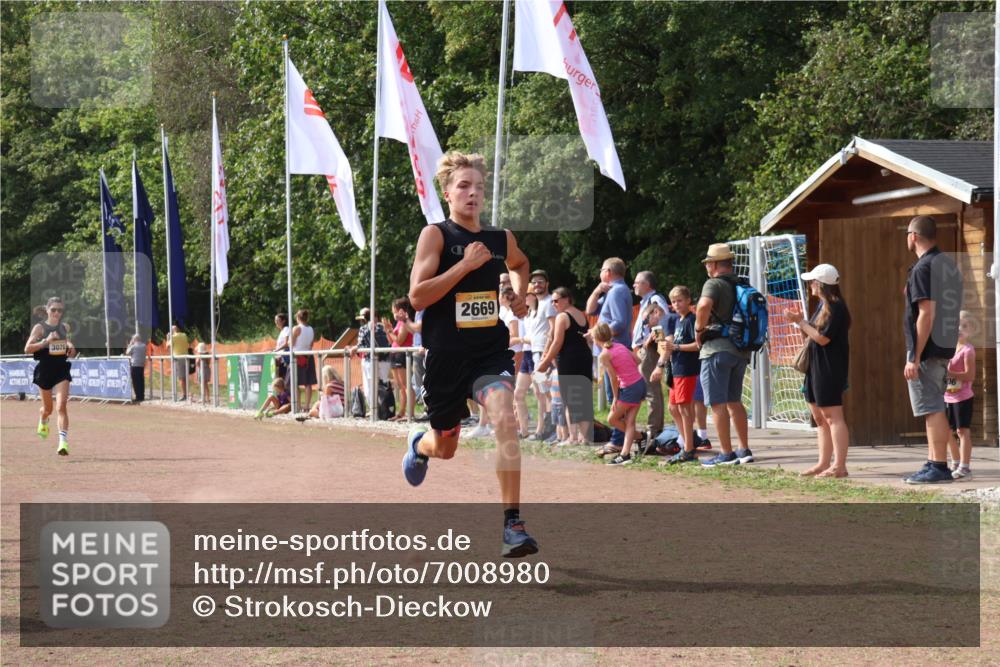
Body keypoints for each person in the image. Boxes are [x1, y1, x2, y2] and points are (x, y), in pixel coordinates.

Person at [403, 150, 538, 558]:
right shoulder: (436, 236)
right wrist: (463, 266)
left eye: (478, 186)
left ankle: (513, 524)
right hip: (446, 358)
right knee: (445, 448)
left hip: (488, 354)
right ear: (447, 193)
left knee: (505, 417)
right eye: (463, 186)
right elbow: (417, 297)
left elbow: (520, 263)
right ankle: (419, 446)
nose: (472, 193)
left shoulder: (500, 239)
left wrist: (519, 295)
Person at [900, 216, 963, 484]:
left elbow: (926, 313)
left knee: (932, 407)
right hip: (943, 345)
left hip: (927, 349)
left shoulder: (923, 267)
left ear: (913, 236)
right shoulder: (946, 264)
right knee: (932, 405)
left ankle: (938, 466)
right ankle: (932, 461)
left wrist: (914, 356)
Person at [784, 264, 852, 478]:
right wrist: (802, 324)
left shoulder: (836, 307)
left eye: (813, 281)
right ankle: (823, 463)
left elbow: (823, 339)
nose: (810, 285)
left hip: (829, 368)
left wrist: (800, 322)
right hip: (815, 366)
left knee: (833, 416)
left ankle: (839, 466)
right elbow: (814, 335)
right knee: (820, 418)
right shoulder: (823, 305)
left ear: (821, 284)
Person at [695, 243, 753, 467]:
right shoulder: (741, 283)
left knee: (717, 404)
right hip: (740, 350)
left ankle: (726, 453)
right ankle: (744, 449)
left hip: (716, 350)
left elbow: (703, 306)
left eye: (708, 263)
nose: (706, 267)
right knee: (734, 401)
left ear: (715, 264)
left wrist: (699, 330)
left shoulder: (714, 283)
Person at [537, 287, 593, 445]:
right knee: (584, 397)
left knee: (570, 399)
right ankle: (584, 437)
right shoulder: (581, 314)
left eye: (556, 300)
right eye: (552, 301)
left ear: (567, 299)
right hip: (584, 358)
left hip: (569, 360)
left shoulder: (562, 316)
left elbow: (557, 343)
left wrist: (544, 363)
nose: (553, 304)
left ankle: (574, 437)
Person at [586, 257, 633, 450]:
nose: (599, 273)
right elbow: (590, 310)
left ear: (608, 272)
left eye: (601, 270)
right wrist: (597, 290)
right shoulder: (611, 291)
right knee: (614, 395)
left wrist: (596, 333)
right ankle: (619, 439)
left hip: (615, 351)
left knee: (616, 397)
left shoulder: (617, 292)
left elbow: (619, 323)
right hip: (611, 350)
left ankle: (618, 441)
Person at [25, 297, 76, 456]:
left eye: (60, 310)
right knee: (48, 409)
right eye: (53, 309)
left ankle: (63, 443)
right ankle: (43, 417)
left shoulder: (64, 327)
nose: (56, 313)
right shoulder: (40, 328)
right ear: (47, 310)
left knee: (61, 406)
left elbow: (66, 343)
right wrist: (46, 341)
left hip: (61, 370)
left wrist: (71, 347)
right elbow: (27, 348)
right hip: (45, 371)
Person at [655, 287, 701, 464]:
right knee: (673, 408)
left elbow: (697, 345)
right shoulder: (678, 320)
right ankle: (686, 444)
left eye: (680, 300)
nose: (676, 304)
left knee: (684, 408)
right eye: (673, 302)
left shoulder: (690, 320)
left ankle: (688, 448)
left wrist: (675, 347)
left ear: (688, 300)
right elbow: (670, 343)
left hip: (687, 369)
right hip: (676, 369)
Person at [592, 322, 645, 466]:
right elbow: (638, 360)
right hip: (640, 383)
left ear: (596, 339)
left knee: (612, 419)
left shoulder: (604, 355)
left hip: (629, 388)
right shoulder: (620, 346)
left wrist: (616, 397)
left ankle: (639, 438)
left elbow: (613, 378)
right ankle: (626, 453)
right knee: (630, 422)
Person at [632, 271, 671, 438]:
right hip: (645, 349)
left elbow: (663, 321)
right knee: (651, 390)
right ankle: (656, 428)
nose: (634, 285)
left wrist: (653, 340)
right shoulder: (647, 301)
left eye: (637, 282)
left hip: (650, 350)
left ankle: (653, 430)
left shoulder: (655, 300)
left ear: (646, 284)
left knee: (651, 390)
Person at [524, 269, 558, 440]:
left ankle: (553, 429)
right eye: (534, 282)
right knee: (543, 391)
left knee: (548, 392)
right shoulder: (538, 305)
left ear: (547, 284)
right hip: (535, 352)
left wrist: (547, 354)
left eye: (540, 282)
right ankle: (546, 428)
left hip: (543, 353)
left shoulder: (549, 302)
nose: (537, 285)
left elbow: (553, 329)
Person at [945, 311, 976, 480]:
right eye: (956, 325)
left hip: (963, 397)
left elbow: (970, 376)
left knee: (962, 431)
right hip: (947, 396)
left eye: (964, 326)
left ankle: (965, 467)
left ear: (971, 330)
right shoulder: (949, 349)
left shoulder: (968, 350)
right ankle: (955, 461)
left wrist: (950, 373)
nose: (959, 329)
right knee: (948, 431)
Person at [384, 297, 415, 421]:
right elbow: (392, 341)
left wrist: (390, 331)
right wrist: (388, 331)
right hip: (395, 353)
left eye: (394, 311)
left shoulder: (405, 322)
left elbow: (400, 340)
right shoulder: (398, 323)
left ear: (401, 310)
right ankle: (401, 412)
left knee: (406, 385)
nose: (393, 314)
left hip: (402, 354)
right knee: (400, 386)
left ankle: (410, 413)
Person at [513, 292, 539, 438]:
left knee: (541, 394)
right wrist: (523, 340)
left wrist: (522, 339)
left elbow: (540, 336)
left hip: (537, 355)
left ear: (533, 296)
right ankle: (524, 431)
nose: (524, 297)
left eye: (527, 294)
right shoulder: (526, 314)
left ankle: (542, 429)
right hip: (527, 354)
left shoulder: (540, 312)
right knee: (518, 394)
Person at [352, 307, 390, 403]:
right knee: (384, 384)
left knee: (370, 386)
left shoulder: (363, 329)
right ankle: (385, 406)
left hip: (370, 361)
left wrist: (354, 349)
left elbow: (360, 345)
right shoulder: (384, 327)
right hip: (385, 360)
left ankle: (373, 407)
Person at [291, 309, 317, 412]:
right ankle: (306, 406)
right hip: (308, 356)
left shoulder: (296, 328)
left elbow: (291, 344)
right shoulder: (311, 329)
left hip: (297, 357)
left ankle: (297, 406)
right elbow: (311, 344)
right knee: (308, 383)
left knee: (295, 382)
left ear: (298, 317)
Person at [166, 322, 190, 401]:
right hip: (186, 357)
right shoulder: (184, 335)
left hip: (178, 358)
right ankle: (186, 393)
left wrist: (168, 338)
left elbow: (167, 346)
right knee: (185, 377)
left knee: (181, 378)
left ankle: (184, 395)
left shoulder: (173, 337)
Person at [126, 333, 146, 404]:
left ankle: (138, 396)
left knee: (136, 381)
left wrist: (130, 344)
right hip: (141, 365)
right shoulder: (144, 346)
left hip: (134, 365)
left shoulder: (133, 346)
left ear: (134, 339)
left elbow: (127, 352)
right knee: (141, 381)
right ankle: (142, 396)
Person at [273, 313, 291, 381]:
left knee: (284, 379)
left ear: (283, 321)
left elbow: (286, 344)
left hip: (284, 359)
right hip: (280, 359)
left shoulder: (286, 329)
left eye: (278, 320)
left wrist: (276, 350)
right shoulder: (282, 331)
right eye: (275, 320)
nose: (276, 322)